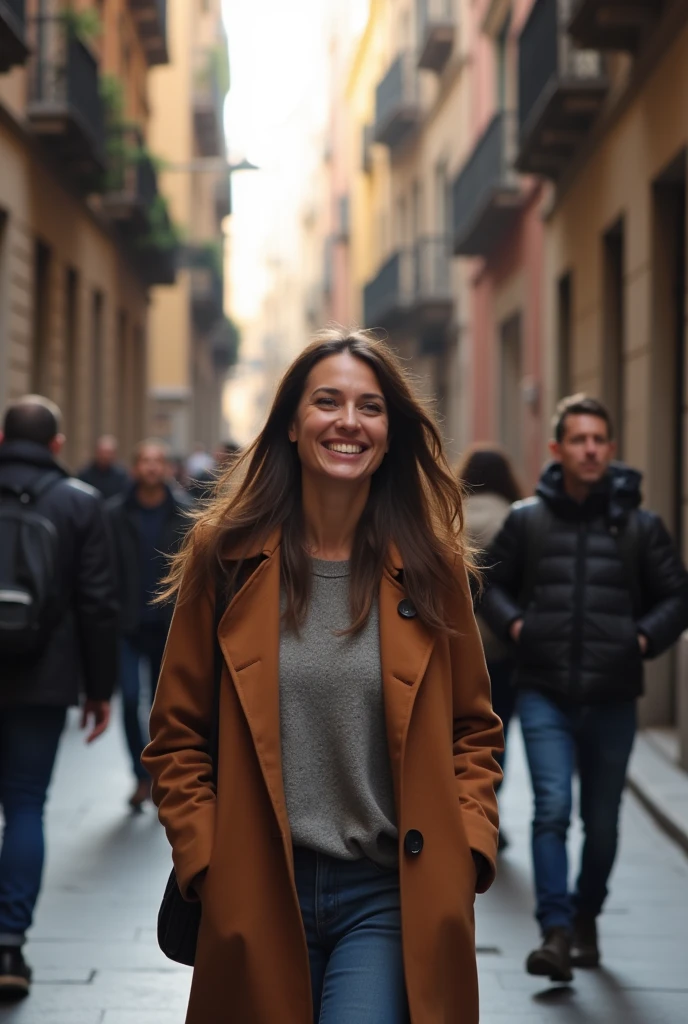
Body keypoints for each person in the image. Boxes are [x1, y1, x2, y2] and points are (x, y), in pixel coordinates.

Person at [142, 329, 503, 1024]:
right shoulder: (227, 559)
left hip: (388, 893)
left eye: (370, 407)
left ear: (391, 434)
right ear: (290, 425)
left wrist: (469, 846)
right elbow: (176, 734)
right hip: (256, 887)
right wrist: (207, 859)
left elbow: (473, 729)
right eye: (327, 402)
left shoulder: (432, 567)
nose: (348, 422)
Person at [481, 394, 688, 983]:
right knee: (552, 811)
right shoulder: (526, 520)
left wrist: (643, 639)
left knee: (602, 825)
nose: (591, 449)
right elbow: (487, 584)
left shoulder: (641, 527)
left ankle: (586, 913)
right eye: (579, 439)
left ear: (611, 448)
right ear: (557, 449)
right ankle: (555, 929)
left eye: (599, 439)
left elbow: (678, 595)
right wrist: (517, 626)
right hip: (544, 691)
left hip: (613, 698)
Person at [0, 396, 117, 997]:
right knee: (24, 805)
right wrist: (100, 691)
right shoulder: (79, 503)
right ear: (56, 444)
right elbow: (98, 604)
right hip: (43, 679)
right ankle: (9, 947)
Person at [106, 441, 192, 811]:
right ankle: (140, 775)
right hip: (127, 625)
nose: (152, 467)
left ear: (168, 468)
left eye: (159, 461)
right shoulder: (113, 514)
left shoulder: (186, 514)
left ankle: (162, 775)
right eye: (145, 461)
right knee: (128, 701)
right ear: (135, 468)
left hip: (168, 626)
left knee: (164, 708)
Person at [457, 444, 522, 850]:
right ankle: (488, 817)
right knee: (497, 736)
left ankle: (459, 813)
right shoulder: (515, 520)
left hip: (457, 646)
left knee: (457, 734)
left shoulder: (450, 517)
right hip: (502, 649)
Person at [78, 435, 130, 500]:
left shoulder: (122, 475)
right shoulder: (84, 473)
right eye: (102, 452)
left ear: (114, 454)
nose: (105, 456)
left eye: (108, 453)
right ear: (96, 452)